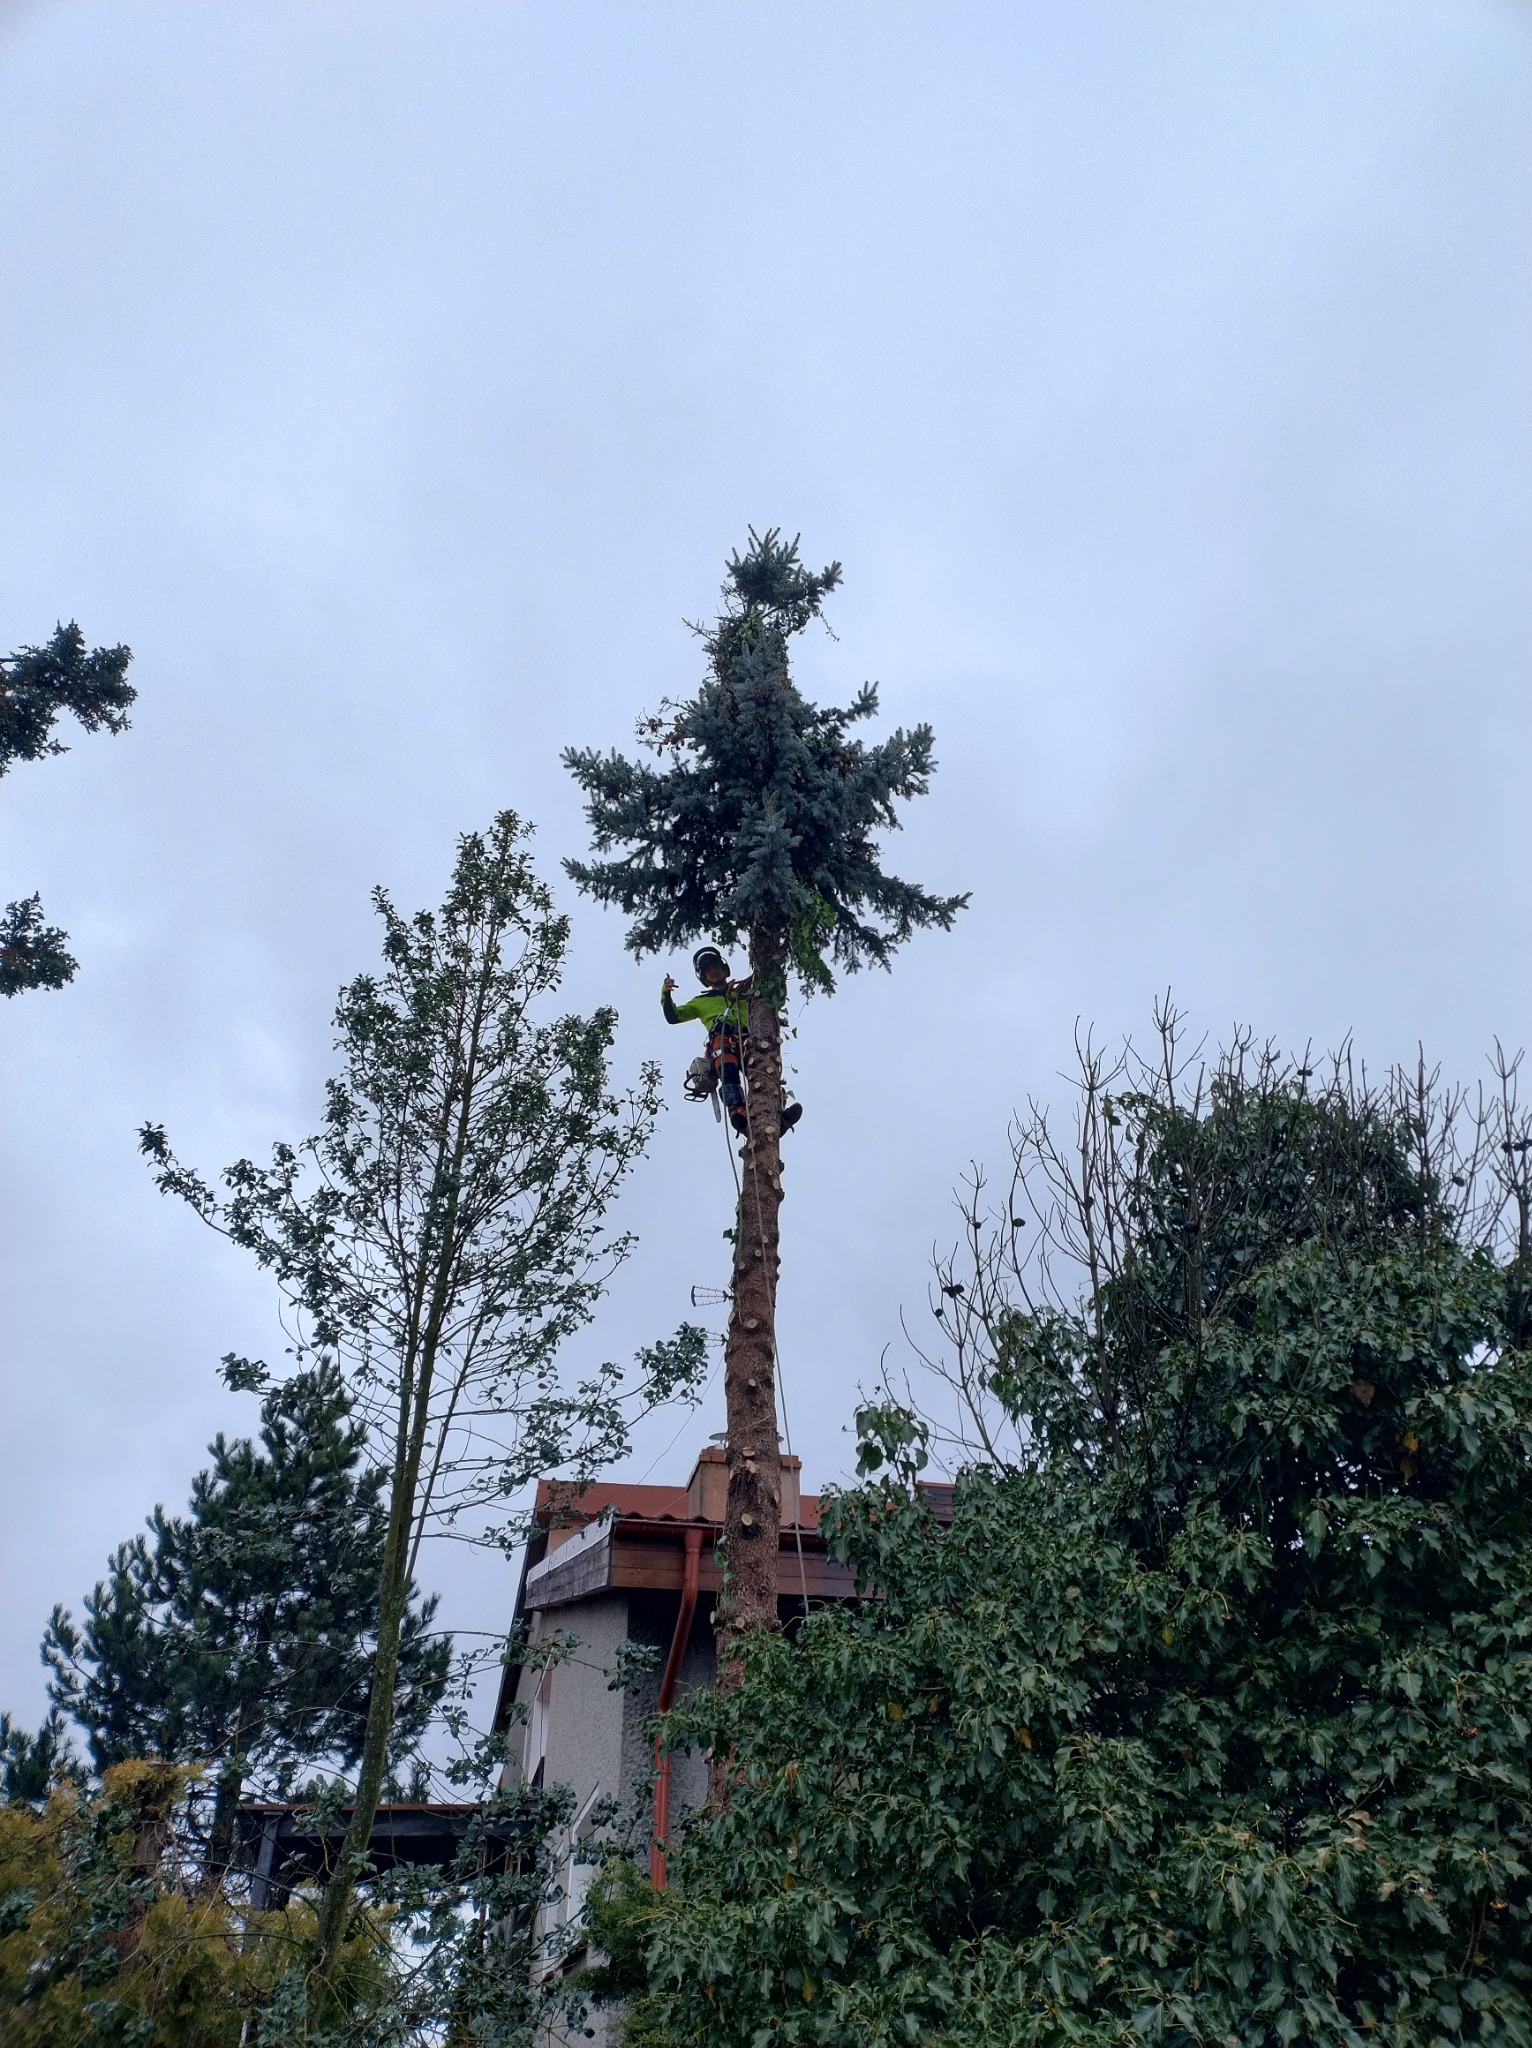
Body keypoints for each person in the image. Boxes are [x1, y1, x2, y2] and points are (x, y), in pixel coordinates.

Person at [662, 946, 802, 1140]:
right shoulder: (700, 1002)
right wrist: (666, 993)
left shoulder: (745, 991)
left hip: (750, 1038)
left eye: (715, 966)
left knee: (765, 1071)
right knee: (727, 1068)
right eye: (708, 970)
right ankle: (737, 1110)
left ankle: (778, 1115)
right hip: (722, 1037)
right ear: (704, 978)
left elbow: (774, 998)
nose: (713, 971)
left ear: (724, 968)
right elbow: (673, 1016)